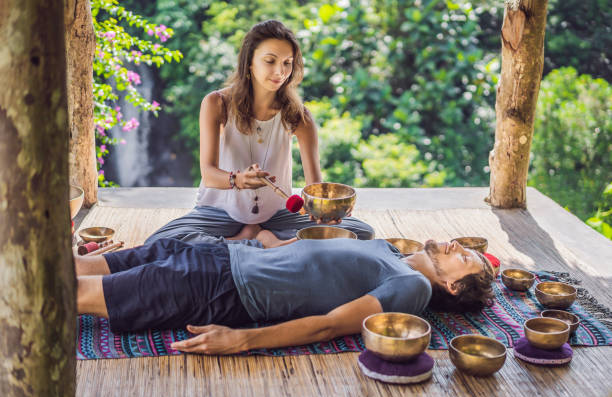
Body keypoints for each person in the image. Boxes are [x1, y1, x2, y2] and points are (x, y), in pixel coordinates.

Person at [76, 231, 495, 355]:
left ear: (452, 285)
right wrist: (268, 241)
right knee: (75, 268)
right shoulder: (387, 250)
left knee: (72, 291)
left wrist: (243, 339)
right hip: (221, 255)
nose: (458, 246)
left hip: (221, 289)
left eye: (466, 258)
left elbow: (329, 326)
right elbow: (306, 258)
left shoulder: (413, 288)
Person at [145, 20, 374, 244]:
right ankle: (255, 241)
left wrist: (323, 211)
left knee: (361, 232)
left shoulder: (299, 116)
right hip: (220, 212)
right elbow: (209, 174)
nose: (280, 71)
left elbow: (314, 187)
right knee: (160, 241)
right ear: (250, 63)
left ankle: (247, 242)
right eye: (270, 61)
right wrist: (240, 179)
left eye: (287, 62)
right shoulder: (217, 103)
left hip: (278, 216)